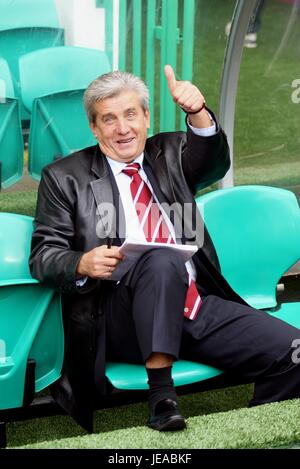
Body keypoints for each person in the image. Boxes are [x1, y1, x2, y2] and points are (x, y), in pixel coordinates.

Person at [29, 66, 300, 433]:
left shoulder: (170, 152)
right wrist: (82, 262)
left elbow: (213, 161)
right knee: (160, 258)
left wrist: (198, 112)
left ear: (146, 117)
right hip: (119, 318)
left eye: (130, 114)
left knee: (294, 352)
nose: (122, 128)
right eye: (109, 119)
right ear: (94, 128)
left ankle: (250, 431)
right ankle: (162, 396)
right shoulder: (64, 177)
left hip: (193, 306)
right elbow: (43, 254)